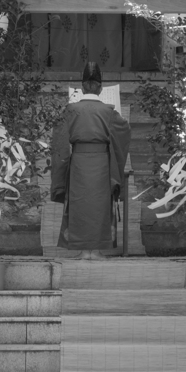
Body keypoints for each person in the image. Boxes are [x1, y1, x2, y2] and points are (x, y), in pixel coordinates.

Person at [50, 62, 131, 260]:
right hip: (102, 164)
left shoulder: (70, 110)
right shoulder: (109, 112)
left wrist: (61, 171)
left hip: (78, 162)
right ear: (101, 88)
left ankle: (83, 251)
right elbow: (124, 132)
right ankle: (96, 251)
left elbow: (59, 142)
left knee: (79, 204)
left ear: (82, 86)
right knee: (100, 205)